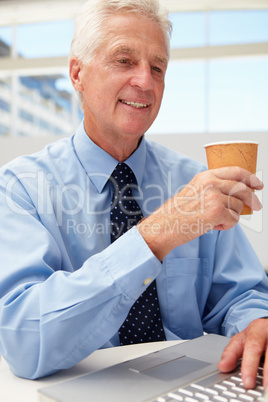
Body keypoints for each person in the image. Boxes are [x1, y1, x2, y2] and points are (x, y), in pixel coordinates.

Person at [0, 0, 267, 389]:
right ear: (78, 73)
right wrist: (157, 234)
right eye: (124, 60)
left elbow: (241, 294)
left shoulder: (193, 179)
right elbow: (23, 340)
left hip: (191, 385)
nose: (145, 81)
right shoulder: (21, 186)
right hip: (78, 389)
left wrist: (256, 323)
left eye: (157, 67)